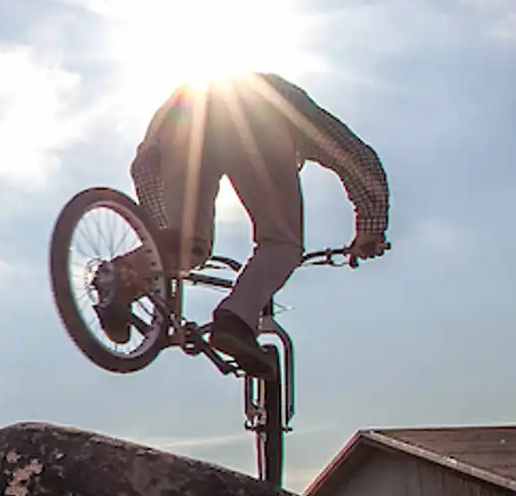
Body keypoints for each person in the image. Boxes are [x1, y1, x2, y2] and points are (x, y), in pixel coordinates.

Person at [96, 72, 389, 374]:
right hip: (258, 117)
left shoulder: (184, 98)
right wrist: (371, 228)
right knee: (282, 243)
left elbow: (145, 163)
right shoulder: (291, 104)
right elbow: (357, 157)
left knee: (189, 245)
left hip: (179, 124)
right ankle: (235, 320)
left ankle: (114, 277)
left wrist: (163, 245)